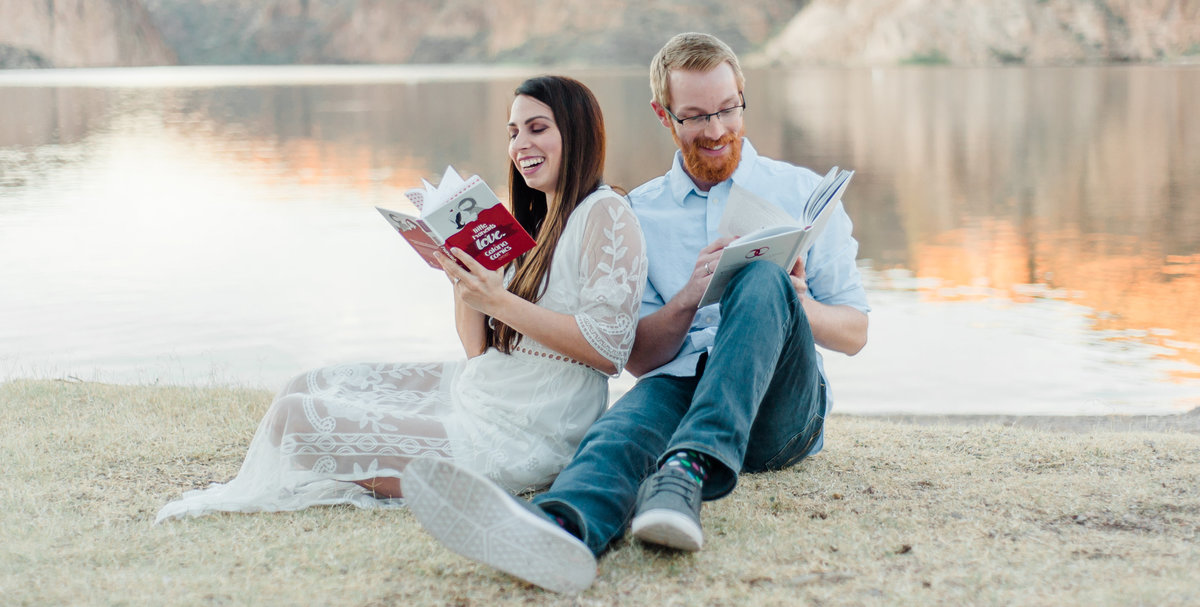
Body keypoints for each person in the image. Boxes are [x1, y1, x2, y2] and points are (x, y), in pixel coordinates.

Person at [402, 32, 870, 594]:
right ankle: (560, 528)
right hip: (680, 386)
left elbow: (855, 333)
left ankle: (688, 468)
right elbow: (637, 359)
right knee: (618, 433)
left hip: (778, 408)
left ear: (743, 96)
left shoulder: (803, 191)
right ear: (663, 115)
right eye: (695, 116)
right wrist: (687, 299)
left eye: (727, 109)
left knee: (763, 277)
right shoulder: (635, 213)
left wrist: (797, 304)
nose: (716, 129)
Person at [156, 75, 647, 522]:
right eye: (513, 132)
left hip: (526, 432)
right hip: (481, 388)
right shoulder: (531, 220)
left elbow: (609, 351)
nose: (521, 145)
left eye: (537, 128)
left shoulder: (605, 213)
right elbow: (478, 351)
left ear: (577, 133)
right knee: (306, 383)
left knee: (296, 419)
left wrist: (499, 301)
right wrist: (463, 280)